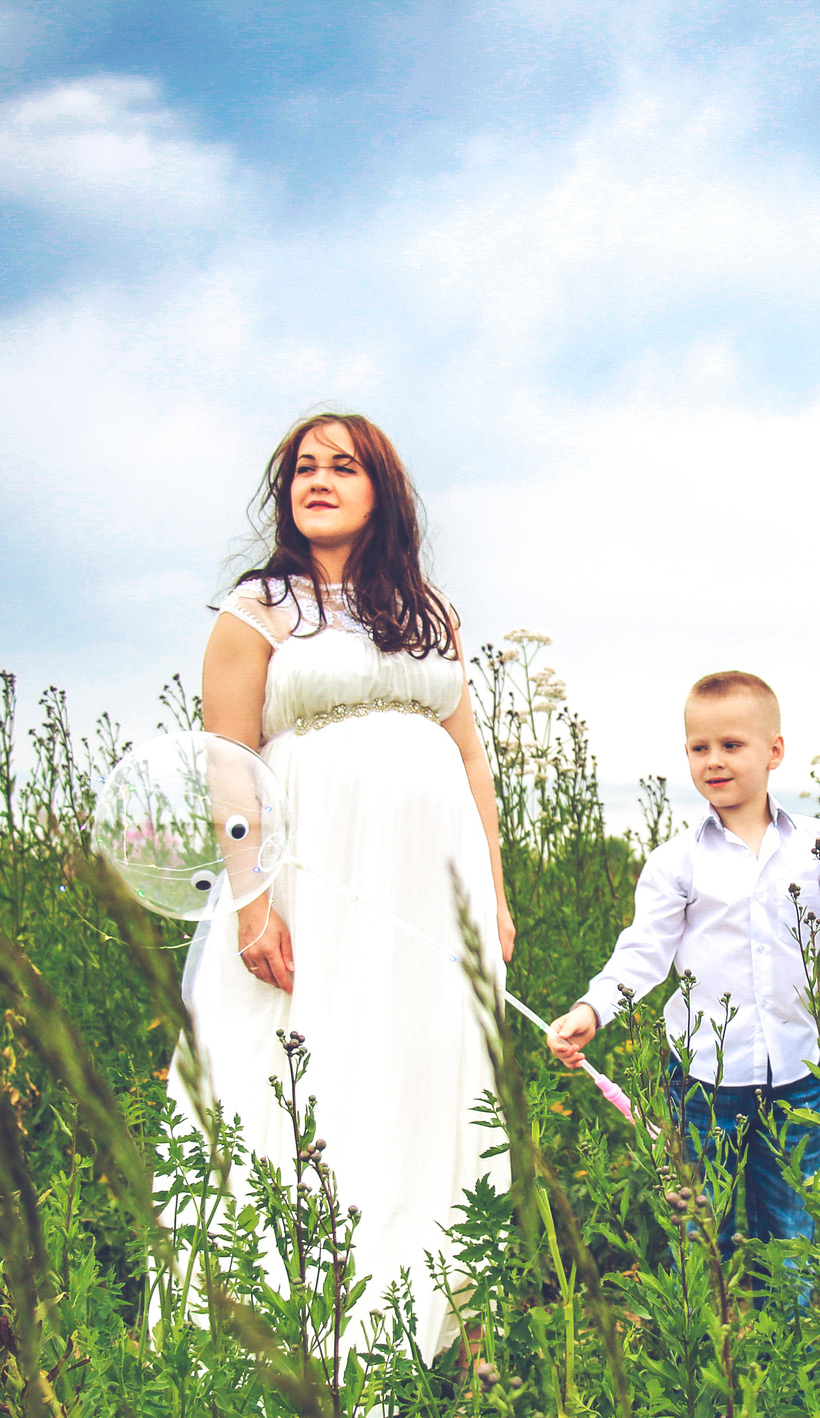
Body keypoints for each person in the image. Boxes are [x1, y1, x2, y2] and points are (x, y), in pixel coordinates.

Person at [180, 411, 515, 1365]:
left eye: (343, 466)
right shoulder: (257, 609)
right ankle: (290, 1338)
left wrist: (491, 893)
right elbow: (229, 762)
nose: (318, 479)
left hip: (428, 880)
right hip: (314, 879)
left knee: (428, 1065)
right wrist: (252, 900)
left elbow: (470, 759)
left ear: (382, 490)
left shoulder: (426, 611)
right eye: (302, 468)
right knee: (308, 1067)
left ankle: (442, 1330)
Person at [545, 672, 820, 1296]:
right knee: (707, 1232)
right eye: (698, 747)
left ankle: (787, 1359)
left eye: (732, 745)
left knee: (793, 1229)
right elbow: (641, 955)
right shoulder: (675, 861)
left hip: (798, 1079)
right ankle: (721, 1351)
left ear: (775, 752)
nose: (713, 761)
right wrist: (592, 1010)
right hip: (706, 1088)